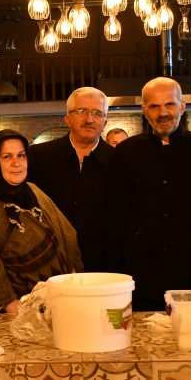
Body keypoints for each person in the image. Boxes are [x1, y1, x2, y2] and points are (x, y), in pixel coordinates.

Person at [110, 77, 191, 311]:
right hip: (141, 273)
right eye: (154, 106)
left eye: (170, 105)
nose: (163, 113)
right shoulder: (126, 152)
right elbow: (117, 214)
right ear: (144, 110)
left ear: (182, 107)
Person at [0, 129, 82, 313]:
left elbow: (65, 232)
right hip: (12, 311)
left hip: (57, 301)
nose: (16, 163)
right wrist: (10, 304)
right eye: (7, 157)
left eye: (21, 156)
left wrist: (71, 282)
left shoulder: (33, 191)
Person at [28, 86, 114, 269]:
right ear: (68, 119)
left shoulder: (118, 160)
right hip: (48, 261)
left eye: (97, 113)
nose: (89, 119)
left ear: (105, 123)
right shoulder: (39, 156)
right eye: (82, 111)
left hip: (103, 263)